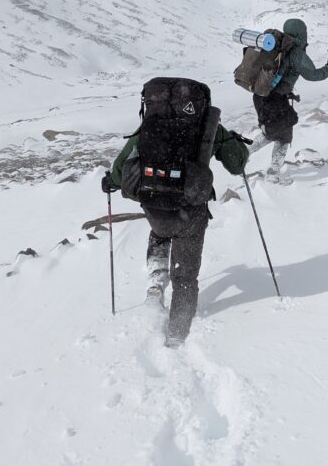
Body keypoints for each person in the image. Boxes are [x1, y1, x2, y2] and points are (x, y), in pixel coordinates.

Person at [102, 78, 249, 348]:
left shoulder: (149, 126)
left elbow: (120, 169)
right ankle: (177, 334)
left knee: (160, 229)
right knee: (185, 276)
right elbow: (236, 163)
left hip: (154, 207)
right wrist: (235, 145)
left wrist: (110, 182)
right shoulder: (207, 126)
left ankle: (156, 281)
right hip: (190, 214)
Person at [251, 18, 328, 179]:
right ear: (301, 33)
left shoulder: (277, 46)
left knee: (271, 130)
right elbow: (314, 75)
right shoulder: (296, 52)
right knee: (282, 136)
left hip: (260, 96)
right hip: (275, 100)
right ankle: (272, 174)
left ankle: (242, 155)